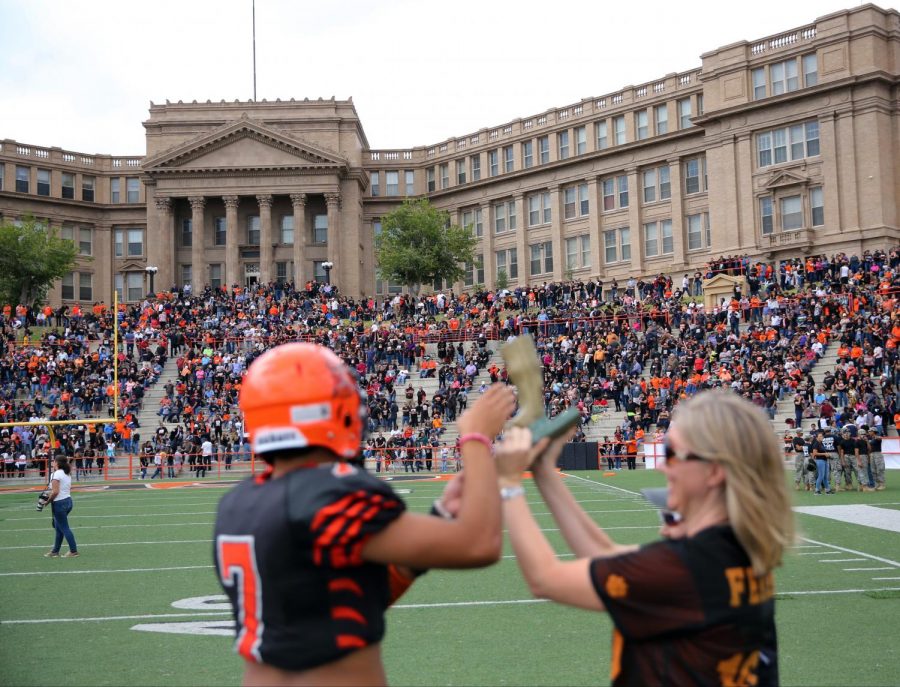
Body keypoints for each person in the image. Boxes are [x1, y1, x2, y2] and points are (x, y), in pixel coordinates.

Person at [213, 342, 513, 686]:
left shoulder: (238, 501)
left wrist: (441, 518)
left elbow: (341, 601)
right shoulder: (330, 493)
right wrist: (476, 438)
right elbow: (478, 545)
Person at [495, 391, 794, 686]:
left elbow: (545, 579)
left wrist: (508, 483)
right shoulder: (736, 548)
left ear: (714, 471)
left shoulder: (682, 568)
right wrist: (544, 471)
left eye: (672, 454)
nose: (663, 466)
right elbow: (605, 554)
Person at [44, 455, 79, 558]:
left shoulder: (56, 474)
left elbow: (55, 492)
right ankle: (55, 550)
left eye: (53, 461)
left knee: (64, 527)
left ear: (57, 463)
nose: (52, 463)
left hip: (60, 503)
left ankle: (73, 551)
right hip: (68, 501)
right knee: (59, 527)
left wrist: (47, 501)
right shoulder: (66, 472)